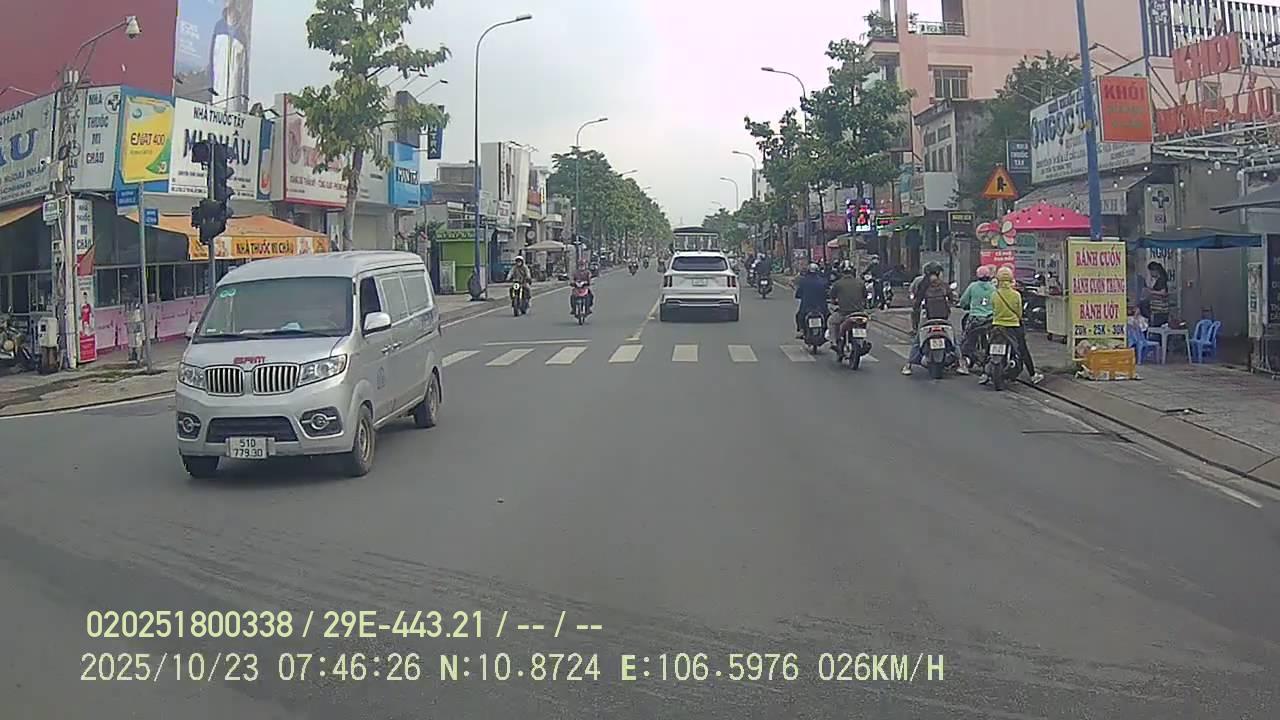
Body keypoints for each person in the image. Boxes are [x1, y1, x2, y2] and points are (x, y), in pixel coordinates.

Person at [989, 266, 1044, 385]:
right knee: (1023, 350)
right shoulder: (1016, 295)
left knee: (990, 346)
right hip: (1014, 326)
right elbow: (1019, 312)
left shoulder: (994, 294)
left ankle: (986, 372)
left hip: (997, 325)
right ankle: (1033, 375)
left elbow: (993, 309)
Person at [903, 262, 951, 375]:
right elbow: (952, 297)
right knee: (953, 340)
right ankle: (961, 363)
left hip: (927, 318)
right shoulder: (943, 285)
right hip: (943, 318)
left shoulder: (923, 284)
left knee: (918, 341)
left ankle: (908, 365)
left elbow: (917, 303)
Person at [956, 265, 997, 375]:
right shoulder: (993, 288)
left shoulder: (973, 286)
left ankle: (963, 364)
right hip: (990, 319)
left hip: (975, 319)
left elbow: (963, 301)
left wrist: (965, 305)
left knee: (966, 340)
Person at [827, 261, 866, 344]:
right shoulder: (861, 283)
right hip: (859, 312)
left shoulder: (837, 284)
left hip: (844, 313)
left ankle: (834, 342)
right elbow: (864, 297)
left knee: (831, 321)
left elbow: (832, 298)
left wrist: (834, 302)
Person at [794, 263, 829, 337]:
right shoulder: (823, 281)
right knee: (828, 316)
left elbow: (798, 294)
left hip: (806, 307)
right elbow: (827, 294)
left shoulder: (803, 281)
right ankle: (826, 331)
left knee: (799, 316)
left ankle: (801, 330)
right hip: (821, 307)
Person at [1146, 261, 1170, 327]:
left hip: (1160, 309)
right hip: (1157, 309)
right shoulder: (1158, 280)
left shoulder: (1161, 280)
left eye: (1151, 272)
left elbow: (1163, 292)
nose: (1150, 274)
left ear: (1155, 271)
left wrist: (1151, 292)